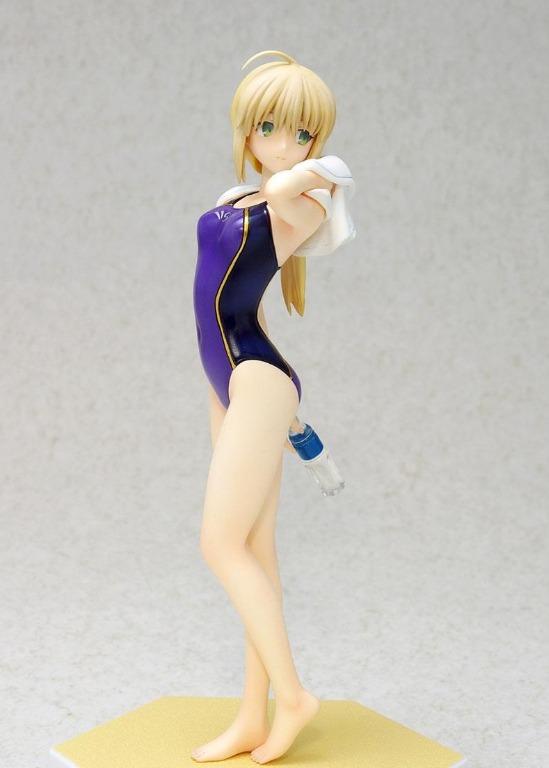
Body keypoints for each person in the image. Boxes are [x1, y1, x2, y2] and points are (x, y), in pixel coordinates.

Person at [191, 48, 356, 764]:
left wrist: (301, 168)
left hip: (255, 375)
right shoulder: (244, 198)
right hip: (226, 376)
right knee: (255, 550)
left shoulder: (301, 199)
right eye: (268, 127)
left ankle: (292, 697)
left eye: (301, 132)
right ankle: (250, 717)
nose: (283, 144)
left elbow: (313, 177)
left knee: (219, 544)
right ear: (246, 127)